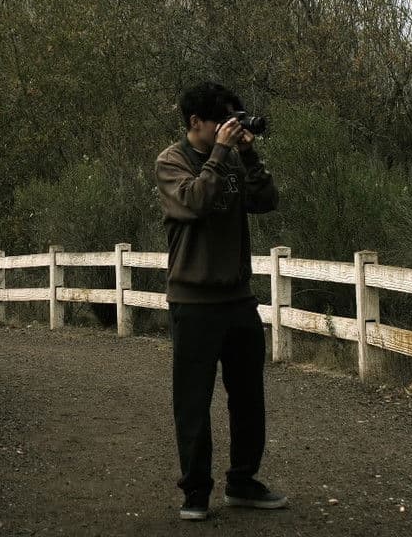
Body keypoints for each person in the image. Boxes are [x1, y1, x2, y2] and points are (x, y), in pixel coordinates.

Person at [154, 81, 284, 521]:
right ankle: (195, 491)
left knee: (248, 398)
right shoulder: (171, 161)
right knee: (193, 401)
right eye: (223, 121)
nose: (229, 127)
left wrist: (248, 154)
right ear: (196, 122)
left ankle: (243, 482)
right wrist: (221, 154)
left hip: (238, 298)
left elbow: (266, 200)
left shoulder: (231, 160)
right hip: (193, 302)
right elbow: (195, 202)